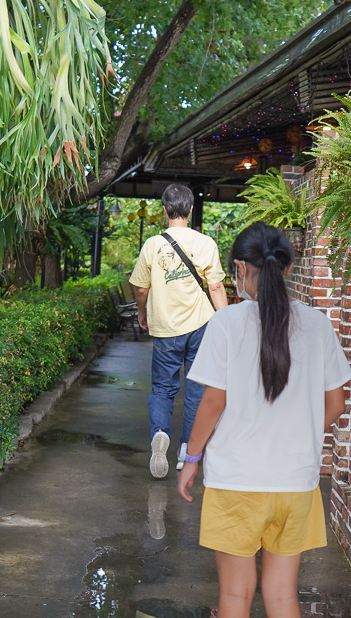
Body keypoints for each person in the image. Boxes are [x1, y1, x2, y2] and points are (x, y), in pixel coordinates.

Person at [176, 222, 351, 618]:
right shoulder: (317, 324)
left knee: (236, 596)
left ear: (239, 269)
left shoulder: (226, 324)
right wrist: (298, 433)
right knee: (283, 596)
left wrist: (191, 459)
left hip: (235, 480)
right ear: (287, 269)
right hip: (295, 481)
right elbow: (337, 403)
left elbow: (212, 402)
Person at [130, 183, 229, 479]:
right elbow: (215, 286)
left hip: (165, 328)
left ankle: (160, 434)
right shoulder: (205, 243)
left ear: (164, 210)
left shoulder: (152, 245)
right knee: (196, 390)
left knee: (163, 388)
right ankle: (187, 450)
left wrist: (141, 311)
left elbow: (140, 288)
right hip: (201, 325)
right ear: (190, 209)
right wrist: (225, 322)